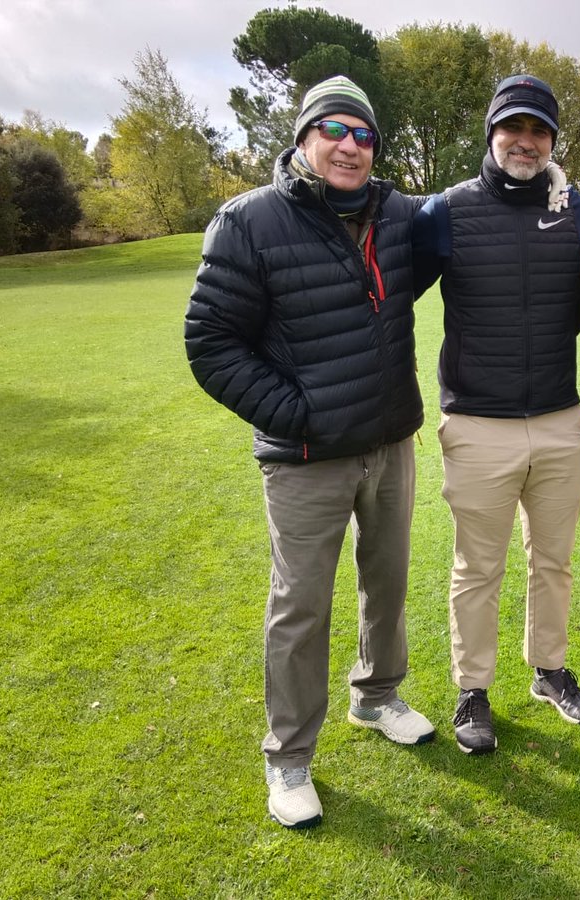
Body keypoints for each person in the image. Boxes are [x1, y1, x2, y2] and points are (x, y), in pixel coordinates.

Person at [184, 76, 438, 829]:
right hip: (304, 456)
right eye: (334, 129)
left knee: (386, 582)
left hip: (389, 442)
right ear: (302, 140)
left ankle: (378, 696)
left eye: (364, 135)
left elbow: (487, 203)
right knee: (300, 608)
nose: (350, 146)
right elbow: (210, 343)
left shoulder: (397, 215)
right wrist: (297, 417)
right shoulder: (248, 222)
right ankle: (289, 757)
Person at [415, 75, 580, 754]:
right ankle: (473, 688)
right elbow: (383, 273)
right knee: (478, 568)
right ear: (492, 135)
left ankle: (549, 671)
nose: (525, 142)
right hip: (477, 424)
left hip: (559, 420)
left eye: (538, 131)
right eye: (513, 128)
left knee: (553, 562)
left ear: (552, 140)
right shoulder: (447, 210)